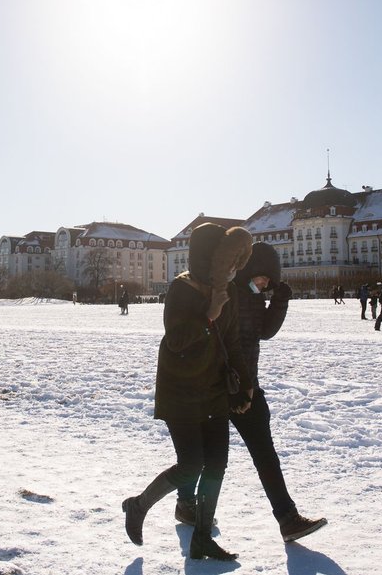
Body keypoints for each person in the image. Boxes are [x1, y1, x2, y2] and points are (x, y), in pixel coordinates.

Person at [175, 242, 327, 543]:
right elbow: (219, 343)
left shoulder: (254, 297)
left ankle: (287, 519)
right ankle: (186, 504)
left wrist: (279, 302)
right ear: (248, 270)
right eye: (262, 278)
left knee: (264, 454)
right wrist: (233, 386)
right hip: (221, 389)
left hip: (246, 386)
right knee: (208, 458)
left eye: (270, 280)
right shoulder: (227, 294)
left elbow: (263, 333)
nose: (265, 283)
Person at [123, 223, 253, 561]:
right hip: (180, 387)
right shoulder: (181, 290)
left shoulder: (229, 290)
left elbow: (233, 341)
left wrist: (244, 383)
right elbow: (176, 342)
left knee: (217, 463)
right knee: (191, 463)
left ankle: (202, 538)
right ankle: (138, 505)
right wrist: (209, 315)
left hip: (213, 387)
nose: (226, 267)